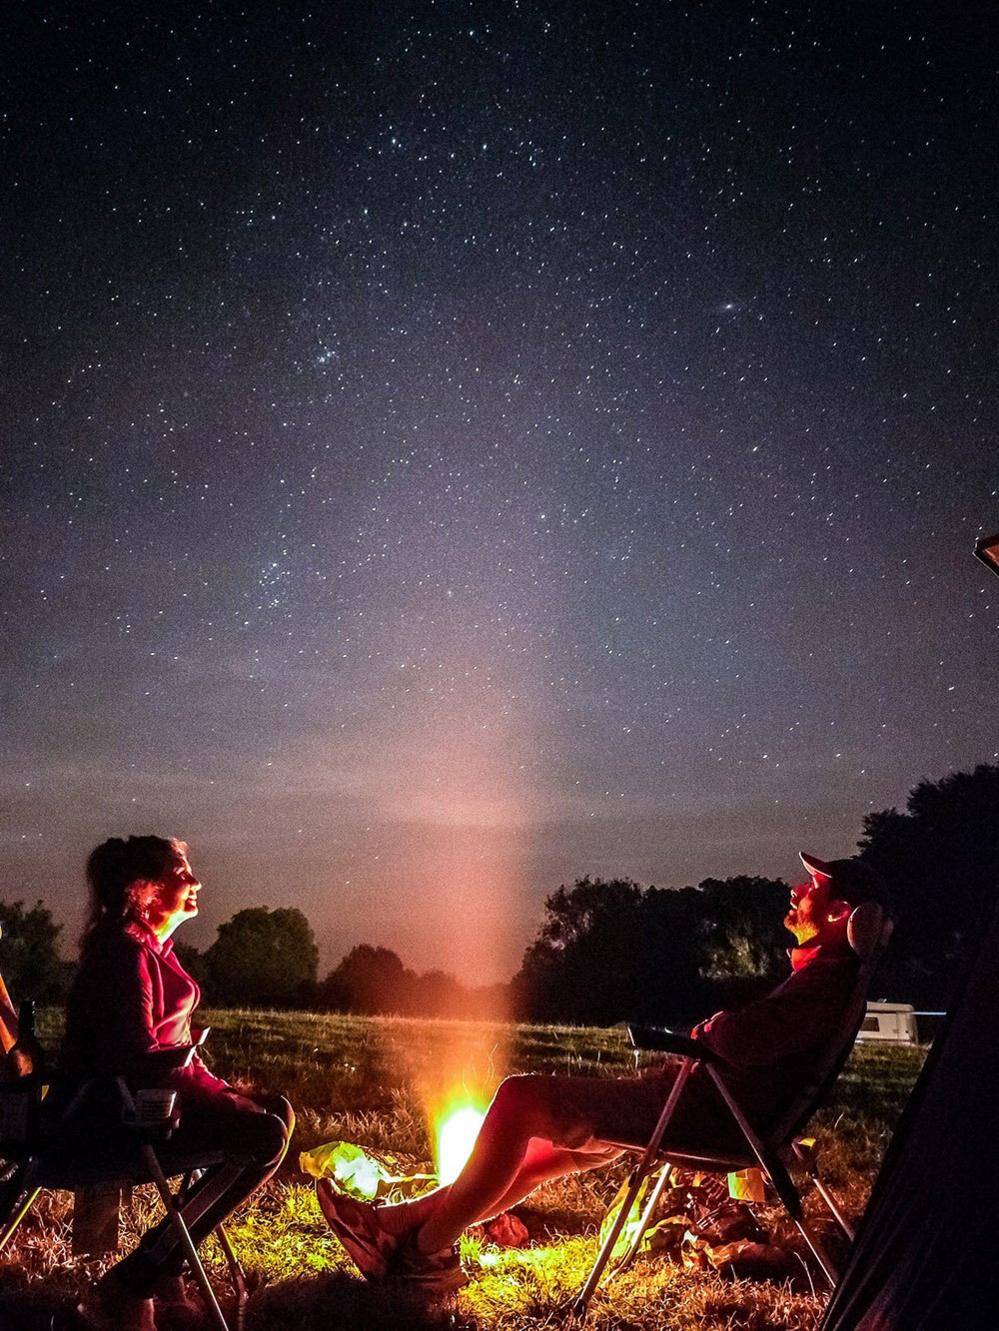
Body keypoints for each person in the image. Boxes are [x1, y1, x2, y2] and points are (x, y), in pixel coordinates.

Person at [316, 851, 885, 1291]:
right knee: (549, 1151)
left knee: (521, 1099)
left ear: (841, 914)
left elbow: (742, 1040)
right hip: (699, 1106)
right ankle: (398, 1224)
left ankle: (427, 1254)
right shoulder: (825, 977)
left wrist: (705, 1030)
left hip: (705, 1117)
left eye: (813, 887)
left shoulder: (823, 983)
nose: (797, 889)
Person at [60, 836, 294, 1331]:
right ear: (144, 889)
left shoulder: (152, 949)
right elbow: (140, 1058)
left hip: (153, 1105)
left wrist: (225, 1094)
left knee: (276, 1111)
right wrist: (219, 1100)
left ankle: (159, 1271)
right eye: (181, 873)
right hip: (114, 1120)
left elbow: (178, 1051)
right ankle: (135, 1281)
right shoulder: (124, 954)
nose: (196, 881)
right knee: (263, 1133)